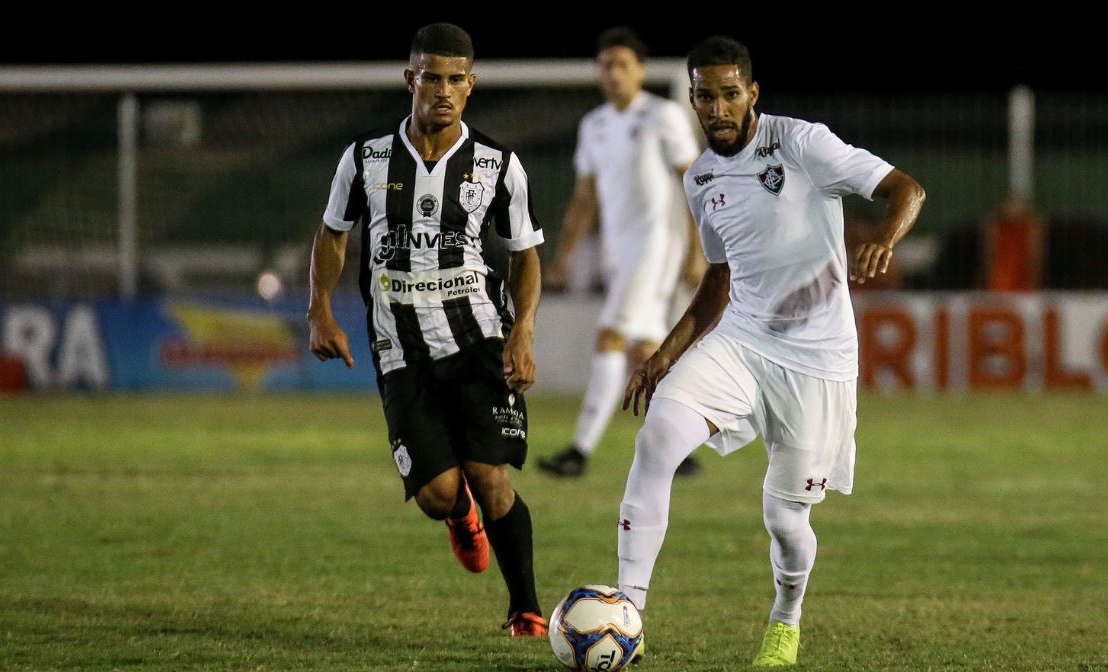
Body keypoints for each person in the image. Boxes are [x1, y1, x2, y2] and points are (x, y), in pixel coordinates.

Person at [617, 36, 925, 666]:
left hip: (818, 363)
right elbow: (718, 278)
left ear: (752, 93)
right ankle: (627, 614)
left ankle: (786, 620)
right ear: (693, 100)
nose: (718, 108)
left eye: (730, 94)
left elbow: (907, 189)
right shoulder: (700, 178)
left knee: (784, 520)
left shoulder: (802, 143)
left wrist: (884, 239)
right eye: (706, 96)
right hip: (742, 341)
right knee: (657, 440)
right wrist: (663, 356)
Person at [307, 23, 547, 637]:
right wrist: (320, 309)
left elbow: (524, 254)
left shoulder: (498, 164)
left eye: (455, 79)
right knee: (440, 493)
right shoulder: (364, 158)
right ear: (409, 79)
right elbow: (333, 233)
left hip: (479, 336)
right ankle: (458, 516)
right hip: (399, 345)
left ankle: (525, 610)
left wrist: (522, 331)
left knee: (490, 475)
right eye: (431, 77)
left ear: (471, 85)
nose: (443, 89)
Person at [538, 27, 705, 478]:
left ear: (640, 71)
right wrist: (564, 256)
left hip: (657, 247)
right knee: (648, 349)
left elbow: (694, 184)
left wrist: (697, 251)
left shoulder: (663, 115)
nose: (614, 73)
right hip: (620, 252)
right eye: (607, 65)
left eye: (623, 65)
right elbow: (584, 197)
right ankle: (679, 449)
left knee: (610, 336)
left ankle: (579, 450)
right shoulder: (593, 125)